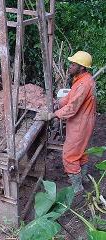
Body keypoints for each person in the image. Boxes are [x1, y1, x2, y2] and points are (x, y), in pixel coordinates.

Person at [36, 51, 96, 194]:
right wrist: (58, 103)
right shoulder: (83, 79)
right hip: (85, 120)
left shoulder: (83, 84)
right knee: (81, 151)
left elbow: (73, 107)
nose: (70, 66)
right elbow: (69, 98)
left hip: (80, 123)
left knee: (69, 155)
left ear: (81, 67)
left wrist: (53, 114)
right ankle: (83, 178)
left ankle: (77, 188)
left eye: (73, 64)